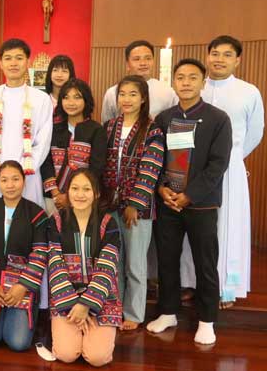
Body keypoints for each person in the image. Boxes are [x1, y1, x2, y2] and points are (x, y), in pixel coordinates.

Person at [148, 59, 232, 345]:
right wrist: (161, 188)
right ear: (173, 82)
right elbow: (155, 158)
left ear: (203, 82)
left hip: (201, 204)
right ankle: (168, 312)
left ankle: (207, 320)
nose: (186, 82)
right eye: (180, 77)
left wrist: (190, 195)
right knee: (167, 259)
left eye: (192, 77)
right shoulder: (163, 118)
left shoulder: (218, 119)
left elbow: (218, 164)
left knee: (205, 262)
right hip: (168, 202)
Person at [180, 36, 264, 308]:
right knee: (194, 227)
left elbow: (255, 132)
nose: (219, 59)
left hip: (229, 172)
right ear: (207, 56)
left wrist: (233, 159)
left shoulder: (248, 92)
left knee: (226, 227)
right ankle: (191, 282)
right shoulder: (195, 86)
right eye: (215, 53)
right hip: (192, 169)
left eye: (227, 55)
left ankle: (224, 287)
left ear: (237, 60)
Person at [102, 75, 164, 331]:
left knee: (135, 264)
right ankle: (114, 308)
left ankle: (134, 313)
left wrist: (134, 204)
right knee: (113, 261)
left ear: (143, 98)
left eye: (133, 94)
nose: (126, 99)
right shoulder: (109, 127)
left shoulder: (152, 130)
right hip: (110, 205)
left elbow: (151, 169)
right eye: (122, 94)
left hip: (137, 210)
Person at [47, 169, 121, 366]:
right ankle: (76, 334)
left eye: (86, 189)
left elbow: (107, 268)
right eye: (75, 188)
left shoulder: (108, 223)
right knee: (66, 354)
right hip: (65, 297)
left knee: (98, 358)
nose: (80, 194)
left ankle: (91, 336)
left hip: (101, 298)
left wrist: (86, 304)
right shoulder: (56, 221)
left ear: (96, 193)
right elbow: (55, 264)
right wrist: (74, 305)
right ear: (67, 192)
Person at [0, 161, 48, 352]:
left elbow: (40, 254)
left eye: (15, 179)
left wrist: (22, 286)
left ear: (24, 181)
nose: (10, 185)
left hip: (21, 287)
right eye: (4, 180)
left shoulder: (37, 214)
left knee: (18, 343)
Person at [0, 38, 53, 208]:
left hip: (27, 177)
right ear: (0, 64)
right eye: (8, 58)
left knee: (27, 220)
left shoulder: (41, 99)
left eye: (19, 58)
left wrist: (20, 176)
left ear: (28, 62)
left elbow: (43, 142)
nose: (13, 63)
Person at [41, 78, 107, 213]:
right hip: (52, 198)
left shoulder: (96, 130)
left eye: (77, 97)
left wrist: (70, 196)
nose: (71, 103)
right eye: (66, 97)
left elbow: (96, 168)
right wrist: (55, 193)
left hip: (82, 198)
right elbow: (45, 162)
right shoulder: (53, 129)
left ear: (86, 100)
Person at [101, 40, 177, 123]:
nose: (143, 63)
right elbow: (106, 124)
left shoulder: (167, 91)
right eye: (137, 59)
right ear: (127, 64)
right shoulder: (112, 92)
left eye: (148, 58)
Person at [43, 54, 76, 120]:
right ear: (50, 73)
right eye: (55, 70)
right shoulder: (42, 98)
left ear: (70, 74)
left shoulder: (76, 99)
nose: (59, 75)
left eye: (64, 71)